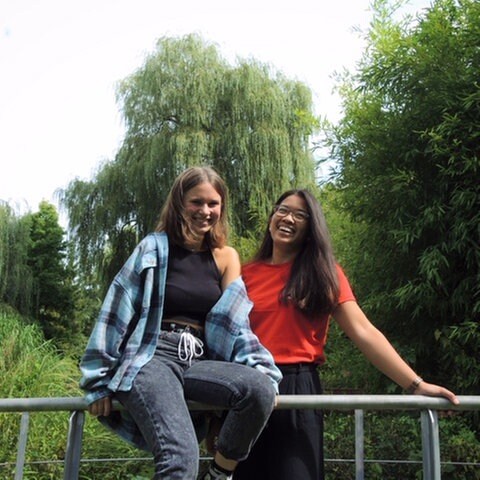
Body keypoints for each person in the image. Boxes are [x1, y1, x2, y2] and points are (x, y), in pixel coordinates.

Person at [233, 188, 459, 480]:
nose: (288, 218)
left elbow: (363, 332)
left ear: (311, 228)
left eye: (300, 215)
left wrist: (415, 385)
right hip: (249, 386)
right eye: (283, 210)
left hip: (298, 386)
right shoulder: (244, 273)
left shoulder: (323, 273)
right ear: (271, 216)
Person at [79, 166, 282, 480]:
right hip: (152, 356)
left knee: (259, 389)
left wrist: (262, 369)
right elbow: (117, 307)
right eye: (196, 202)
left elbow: (236, 324)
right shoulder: (153, 248)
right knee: (180, 460)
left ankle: (219, 473)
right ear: (179, 203)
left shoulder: (225, 256)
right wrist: (97, 380)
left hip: (199, 359)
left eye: (213, 204)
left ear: (221, 208)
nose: (205, 211)